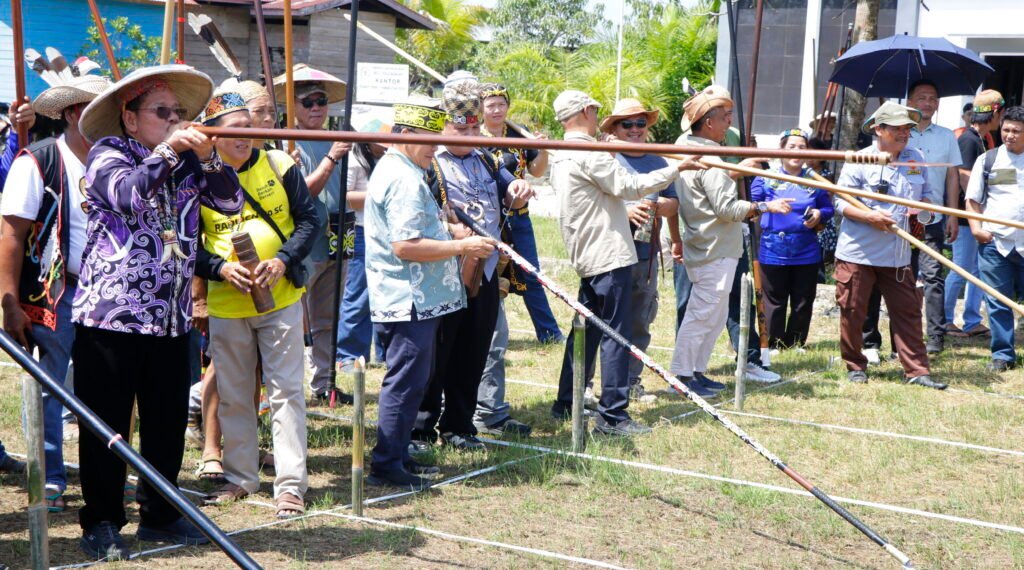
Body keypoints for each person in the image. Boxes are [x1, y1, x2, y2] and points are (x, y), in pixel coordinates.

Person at [72, 64, 243, 559]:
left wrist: (208, 158)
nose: (173, 119)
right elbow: (126, 195)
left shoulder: (188, 161)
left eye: (178, 112)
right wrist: (170, 150)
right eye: (161, 111)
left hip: (171, 318)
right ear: (130, 118)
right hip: (112, 317)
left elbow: (231, 203)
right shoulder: (109, 153)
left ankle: (161, 514)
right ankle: (102, 519)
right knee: (106, 425)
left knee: (166, 423)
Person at [547, 89, 705, 435]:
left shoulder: (561, 152)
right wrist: (678, 167)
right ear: (586, 112)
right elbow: (630, 185)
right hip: (609, 253)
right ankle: (613, 416)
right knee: (616, 334)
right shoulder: (589, 151)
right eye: (595, 110)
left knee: (587, 330)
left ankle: (566, 401)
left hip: (589, 251)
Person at [194, 91, 320, 517]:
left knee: (287, 393)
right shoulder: (196, 176)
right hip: (227, 305)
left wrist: (282, 261)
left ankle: (291, 486)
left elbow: (310, 221)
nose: (245, 136)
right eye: (235, 129)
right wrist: (219, 269)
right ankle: (241, 477)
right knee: (233, 395)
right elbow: (186, 242)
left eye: (249, 127)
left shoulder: (279, 164)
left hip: (281, 299)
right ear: (213, 136)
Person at [365, 96, 494, 487]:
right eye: (429, 140)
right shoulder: (403, 178)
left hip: (413, 298)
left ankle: (398, 455)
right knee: (406, 383)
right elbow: (405, 246)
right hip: (408, 299)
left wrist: (447, 231)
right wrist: (462, 245)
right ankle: (387, 463)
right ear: (405, 134)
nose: (436, 148)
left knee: (412, 382)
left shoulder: (402, 168)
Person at [0, 68, 108, 510]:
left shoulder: (119, 160)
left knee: (107, 385)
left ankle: (105, 472)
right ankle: (48, 474)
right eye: (96, 111)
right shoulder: (38, 161)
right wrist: (9, 303)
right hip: (52, 292)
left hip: (110, 294)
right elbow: (11, 235)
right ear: (73, 113)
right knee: (49, 385)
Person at [412, 82, 533, 449]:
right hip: (443, 271)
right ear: (444, 128)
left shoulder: (488, 159)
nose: (468, 136)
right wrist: (451, 230)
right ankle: (420, 428)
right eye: (460, 129)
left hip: (485, 269)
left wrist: (518, 191)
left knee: (474, 350)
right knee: (438, 351)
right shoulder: (430, 163)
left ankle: (459, 425)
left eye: (473, 129)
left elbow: (510, 192)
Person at [667, 86, 792, 395]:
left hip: (709, 245)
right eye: (725, 118)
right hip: (714, 248)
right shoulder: (709, 157)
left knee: (714, 316)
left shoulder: (687, 147)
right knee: (702, 316)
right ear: (708, 123)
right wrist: (764, 206)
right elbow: (727, 209)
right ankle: (681, 377)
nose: (729, 124)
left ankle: (696, 372)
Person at [833, 102, 944, 389]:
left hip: (898, 253)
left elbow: (927, 197)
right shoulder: (860, 159)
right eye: (897, 128)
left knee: (908, 311)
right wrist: (868, 216)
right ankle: (855, 365)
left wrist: (921, 211)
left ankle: (917, 371)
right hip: (858, 251)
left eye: (907, 128)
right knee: (853, 311)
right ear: (878, 129)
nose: (904, 133)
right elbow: (841, 202)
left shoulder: (916, 158)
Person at [274, 64, 353, 405]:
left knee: (328, 317)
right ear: (293, 106)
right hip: (304, 242)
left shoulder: (337, 138)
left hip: (337, 234)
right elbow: (303, 193)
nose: (317, 107)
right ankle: (288, 385)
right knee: (295, 318)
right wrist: (332, 158)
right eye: (308, 102)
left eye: (321, 101)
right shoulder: (285, 143)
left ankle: (324, 382)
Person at [595, 98, 678, 403]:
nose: (634, 129)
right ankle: (588, 385)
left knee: (640, 319)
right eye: (627, 124)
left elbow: (674, 205)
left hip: (645, 253)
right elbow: (589, 205)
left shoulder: (659, 162)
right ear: (614, 129)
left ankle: (631, 381)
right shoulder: (605, 159)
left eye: (640, 123)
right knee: (601, 320)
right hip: (608, 253)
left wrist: (663, 205)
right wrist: (625, 212)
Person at [478, 82, 563, 344]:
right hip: (488, 218)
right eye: (490, 105)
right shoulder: (474, 138)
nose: (496, 110)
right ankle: (486, 335)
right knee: (486, 275)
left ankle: (549, 334)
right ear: (481, 109)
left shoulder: (518, 133)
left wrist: (542, 148)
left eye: (501, 104)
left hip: (519, 215)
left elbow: (536, 171)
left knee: (531, 273)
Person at [749, 129, 834, 350]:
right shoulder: (765, 177)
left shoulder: (815, 179)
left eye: (802, 147)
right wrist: (769, 206)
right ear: (781, 150)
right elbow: (750, 207)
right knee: (773, 299)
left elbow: (828, 208)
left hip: (806, 248)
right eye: (791, 147)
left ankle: (796, 342)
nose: (797, 151)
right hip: (773, 248)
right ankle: (774, 343)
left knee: (803, 300)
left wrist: (819, 214)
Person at [905, 79, 963, 355]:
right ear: (910, 102)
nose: (928, 103)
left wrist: (952, 214)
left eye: (932, 98)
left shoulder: (947, 136)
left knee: (933, 276)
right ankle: (902, 335)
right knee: (900, 277)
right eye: (922, 97)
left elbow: (952, 175)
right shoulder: (899, 133)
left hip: (933, 218)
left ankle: (936, 336)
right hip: (901, 217)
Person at [967, 105, 1024, 372]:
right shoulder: (988, 160)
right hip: (995, 243)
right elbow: (972, 200)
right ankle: (1002, 355)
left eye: (1016, 131)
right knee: (997, 301)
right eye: (1006, 129)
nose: (1009, 135)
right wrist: (976, 229)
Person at [947, 90, 1003, 338]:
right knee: (960, 268)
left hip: (976, 216)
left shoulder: (982, 139)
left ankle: (972, 320)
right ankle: (945, 319)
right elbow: (964, 177)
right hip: (966, 216)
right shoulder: (969, 140)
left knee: (977, 271)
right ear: (995, 113)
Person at [335, 139, 386, 370]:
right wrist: (379, 195)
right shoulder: (354, 159)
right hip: (359, 230)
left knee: (382, 293)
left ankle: (380, 353)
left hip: (383, 231)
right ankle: (349, 356)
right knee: (358, 294)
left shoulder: (388, 158)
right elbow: (343, 197)